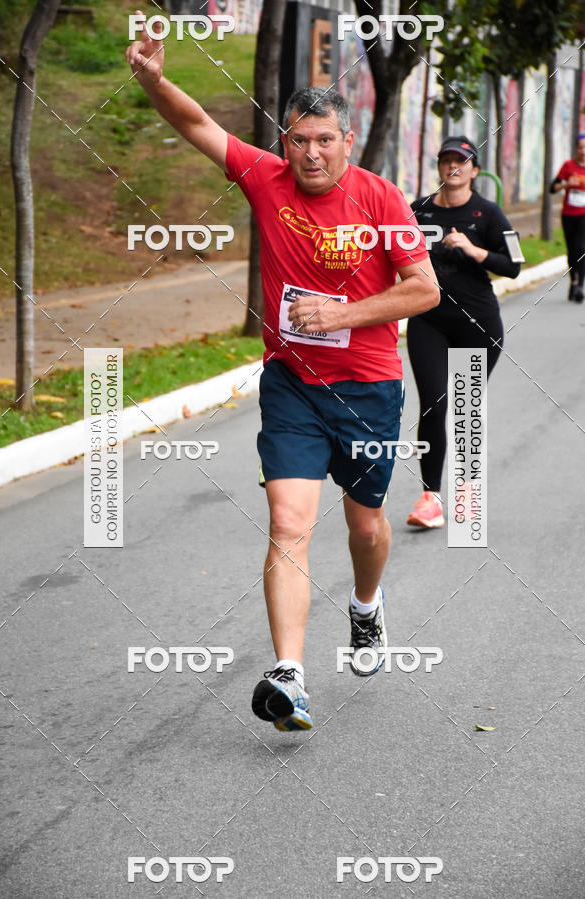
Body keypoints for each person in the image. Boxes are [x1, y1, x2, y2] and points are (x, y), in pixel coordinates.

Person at [126, 16, 439, 730]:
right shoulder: (264, 178)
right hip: (292, 383)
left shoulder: (382, 200)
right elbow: (197, 124)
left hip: (367, 389)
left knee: (366, 528)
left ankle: (365, 609)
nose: (311, 153)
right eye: (298, 139)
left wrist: (347, 314)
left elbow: (424, 290)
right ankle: (291, 675)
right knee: (288, 522)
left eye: (324, 139)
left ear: (346, 142)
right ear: (285, 142)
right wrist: (152, 78)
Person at [407, 136, 520, 529]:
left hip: (477, 324)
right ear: (438, 168)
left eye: (462, 161)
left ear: (474, 169)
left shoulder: (488, 213)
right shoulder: (417, 211)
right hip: (428, 321)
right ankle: (430, 498)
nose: (453, 167)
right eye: (446, 160)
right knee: (435, 403)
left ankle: (466, 494)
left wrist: (474, 251)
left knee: (465, 410)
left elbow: (515, 264)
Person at [551, 134, 585, 302]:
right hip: (569, 214)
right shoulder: (568, 166)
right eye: (580, 147)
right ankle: (573, 281)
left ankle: (580, 285)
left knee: (581, 247)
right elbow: (553, 188)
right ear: (576, 150)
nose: (583, 151)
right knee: (572, 249)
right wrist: (566, 184)